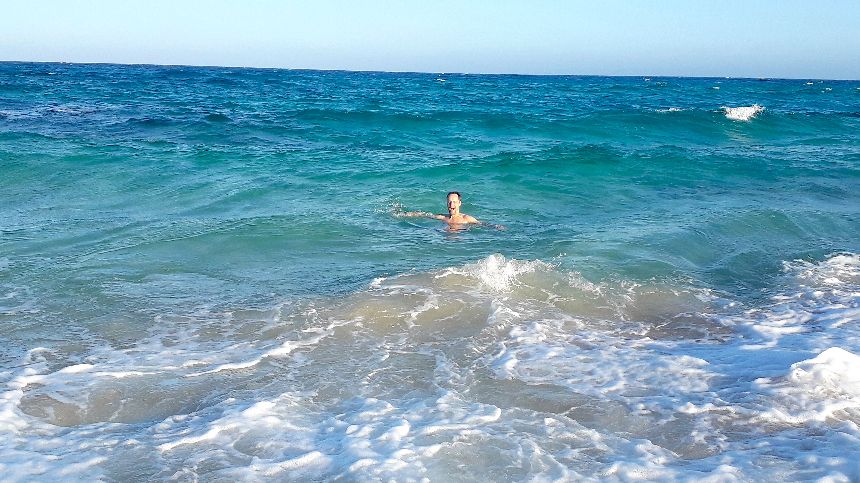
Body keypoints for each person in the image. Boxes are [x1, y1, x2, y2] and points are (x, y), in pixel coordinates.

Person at [400, 191, 484, 227]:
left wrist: (496, 227)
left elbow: (482, 224)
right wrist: (407, 214)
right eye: (449, 202)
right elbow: (425, 215)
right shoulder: (443, 218)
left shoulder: (466, 219)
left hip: (459, 244)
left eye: (454, 202)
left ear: (459, 203)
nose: (451, 204)